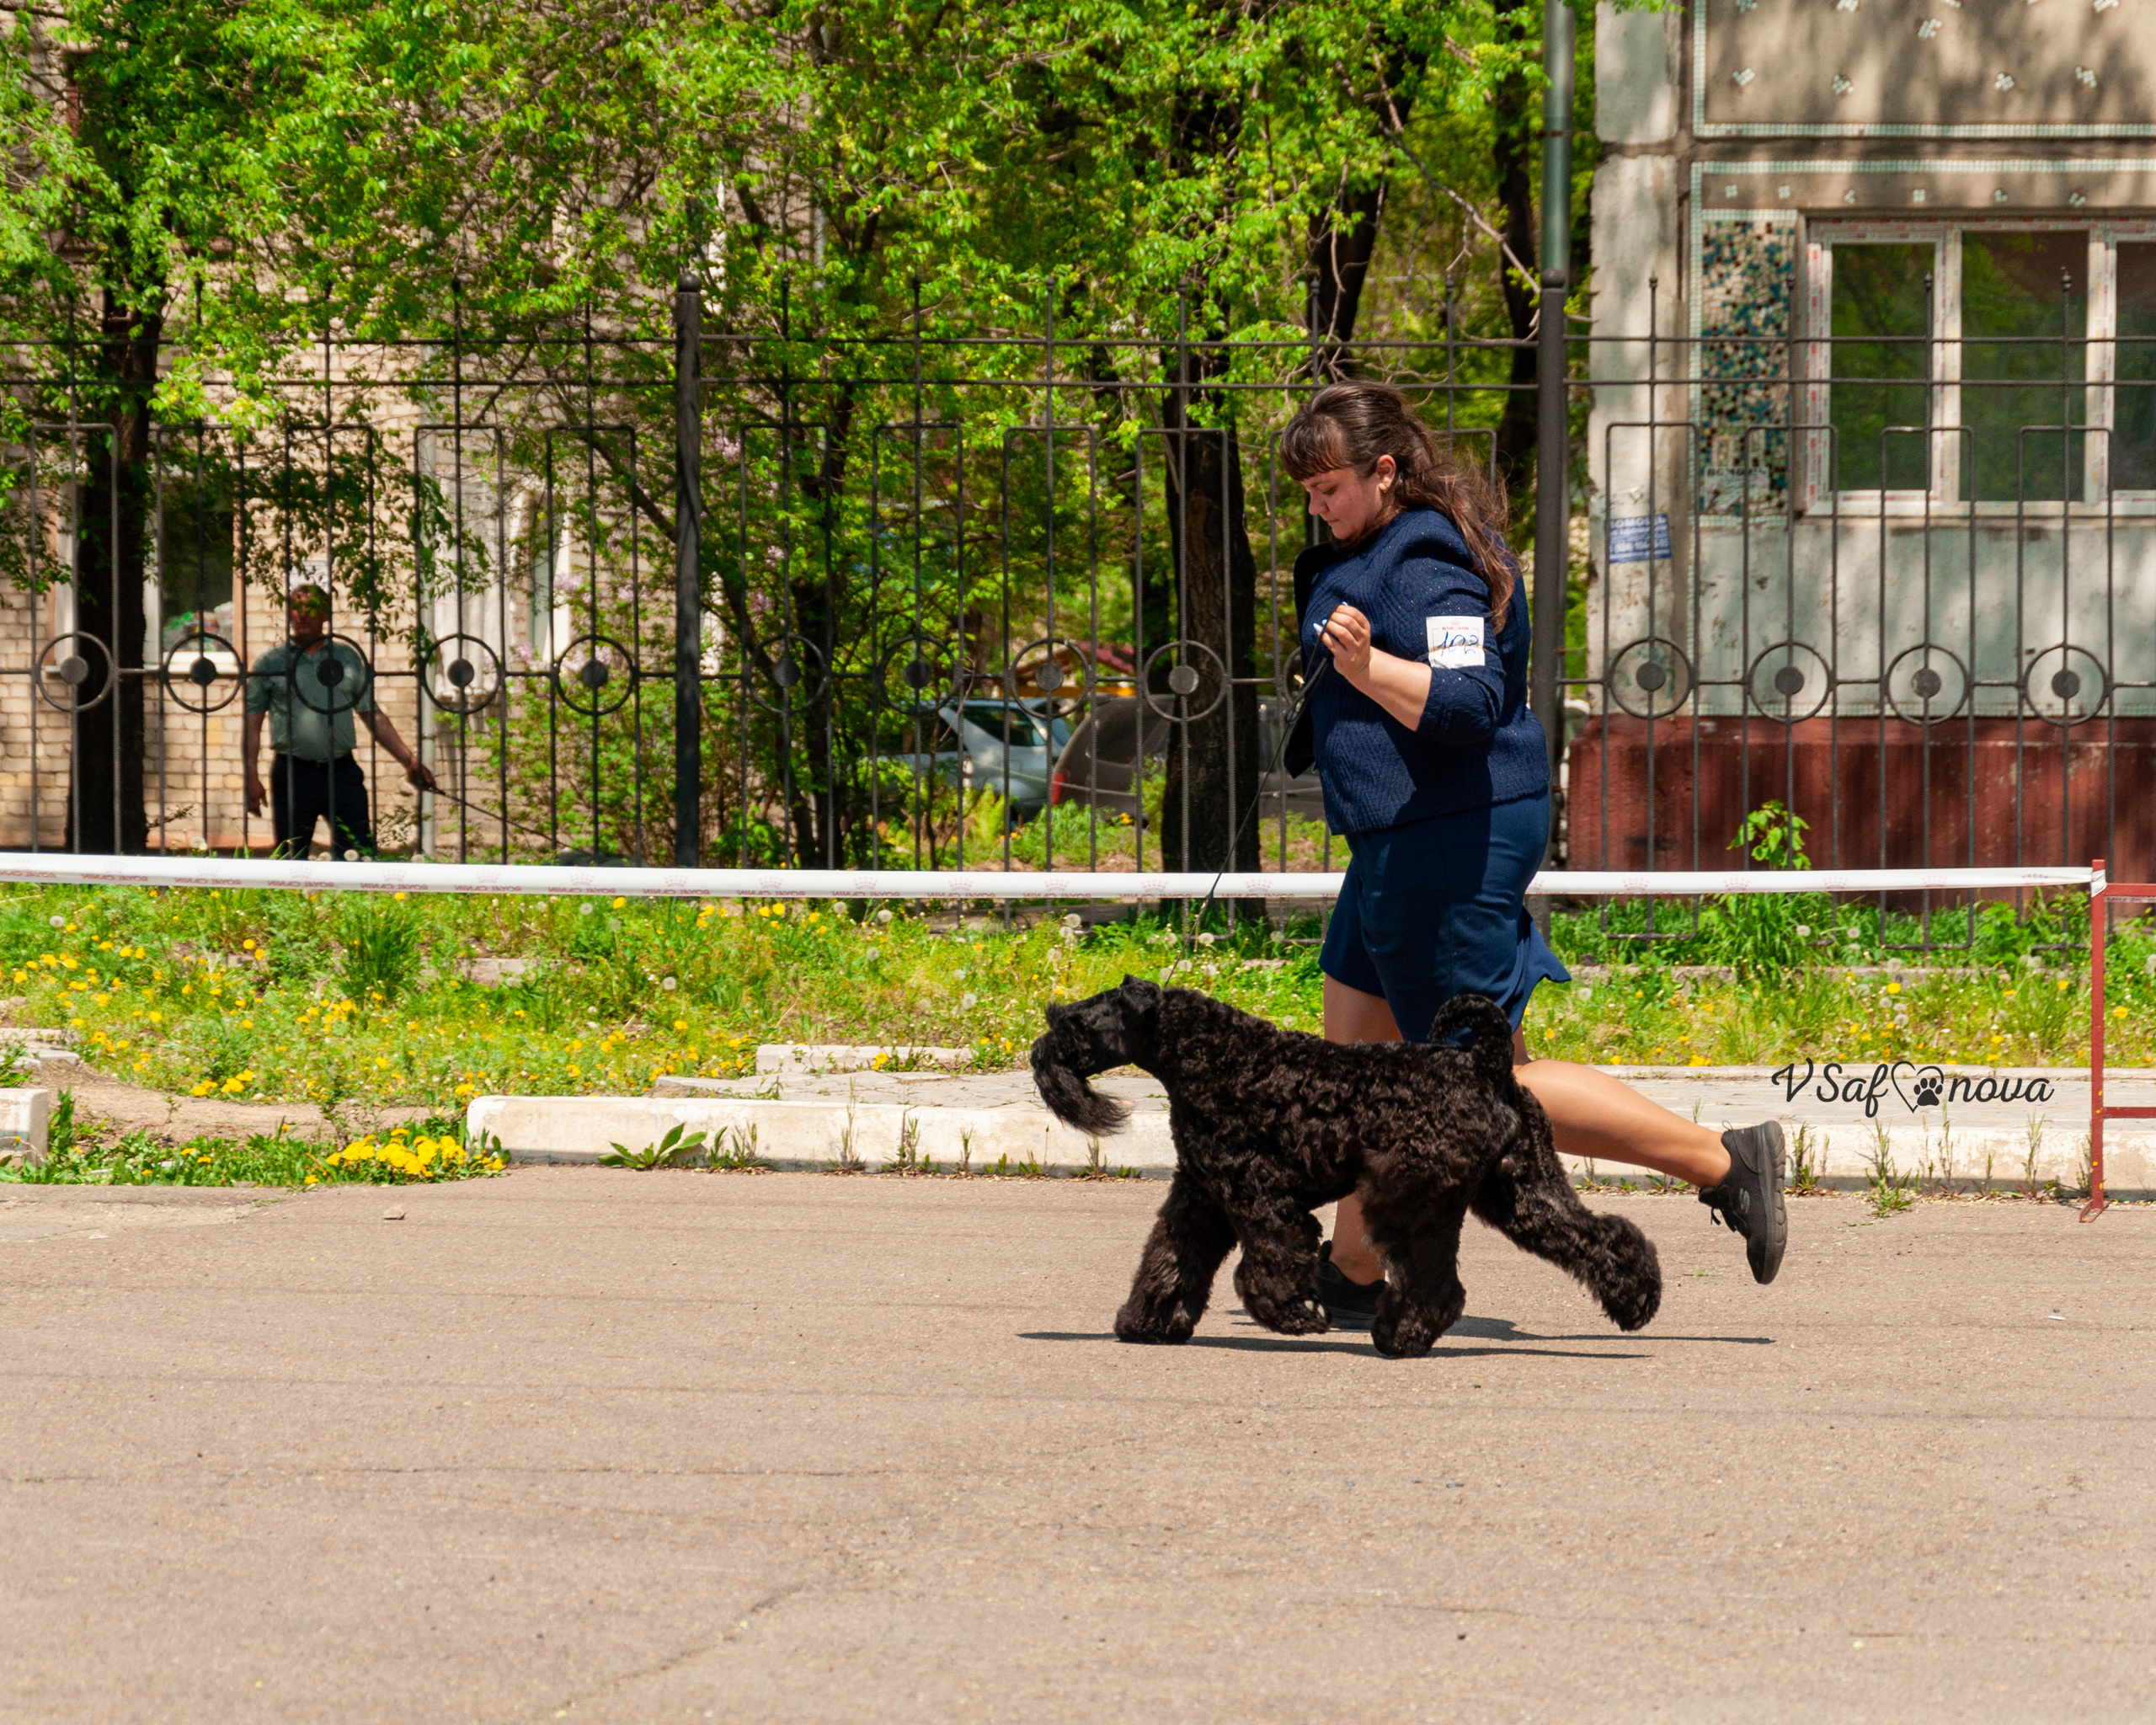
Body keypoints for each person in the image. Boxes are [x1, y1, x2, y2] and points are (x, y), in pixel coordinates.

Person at [1277, 382, 1787, 1324]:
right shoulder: (1390, 540)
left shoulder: (1423, 556)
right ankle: (1351, 1268)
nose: (1318, 506)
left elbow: (1467, 704)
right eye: (1307, 492)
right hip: (1403, 836)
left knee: (1483, 1087)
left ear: (1384, 471)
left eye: (1331, 487)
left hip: (1447, 836)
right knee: (1356, 1064)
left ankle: (1725, 1161)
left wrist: (1364, 667)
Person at [243, 585, 438, 857]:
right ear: (288, 613)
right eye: (297, 608)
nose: (302, 616)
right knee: (290, 858)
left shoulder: (346, 658)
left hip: (342, 772)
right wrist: (251, 777)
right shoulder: (270, 663)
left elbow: (373, 715)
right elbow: (252, 725)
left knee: (359, 854)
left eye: (311, 608)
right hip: (292, 775)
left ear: (325, 615)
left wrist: (409, 760)